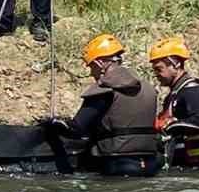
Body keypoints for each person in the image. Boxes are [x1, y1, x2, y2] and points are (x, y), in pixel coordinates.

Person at [47, 34, 162, 176]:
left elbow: (77, 129)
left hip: (117, 165)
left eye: (91, 66)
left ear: (101, 63)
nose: (91, 73)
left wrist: (53, 125)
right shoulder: (149, 88)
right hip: (151, 164)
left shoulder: (105, 89)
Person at [149, 37, 199, 169]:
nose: (156, 74)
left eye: (159, 69)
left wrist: (170, 125)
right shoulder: (176, 92)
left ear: (176, 64)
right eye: (154, 70)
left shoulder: (192, 91)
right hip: (188, 166)